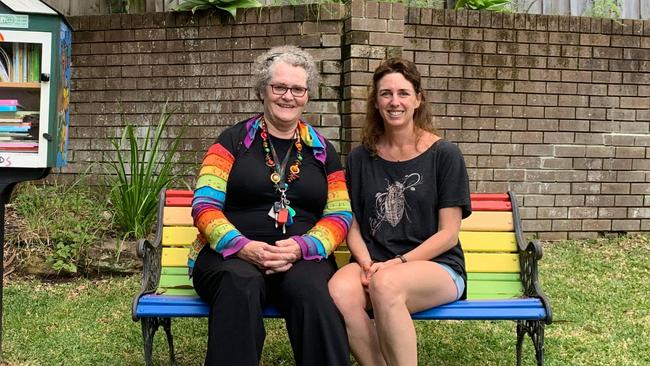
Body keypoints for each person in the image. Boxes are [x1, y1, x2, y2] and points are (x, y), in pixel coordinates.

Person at [189, 45, 352, 366]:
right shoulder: (231, 142)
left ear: (307, 95)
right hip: (230, 257)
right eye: (279, 87)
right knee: (241, 283)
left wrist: (302, 247)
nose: (288, 96)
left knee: (313, 291)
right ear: (262, 90)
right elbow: (204, 206)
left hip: (302, 257)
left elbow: (340, 213)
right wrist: (243, 246)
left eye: (297, 89)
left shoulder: (322, 150)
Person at [328, 57, 472, 366]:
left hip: (437, 267)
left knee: (386, 285)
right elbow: (349, 220)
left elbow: (448, 234)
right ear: (376, 102)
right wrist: (366, 262)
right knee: (339, 289)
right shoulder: (359, 158)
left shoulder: (444, 155)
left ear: (418, 99)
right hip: (375, 265)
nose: (395, 102)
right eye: (386, 94)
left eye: (403, 93)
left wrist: (397, 263)